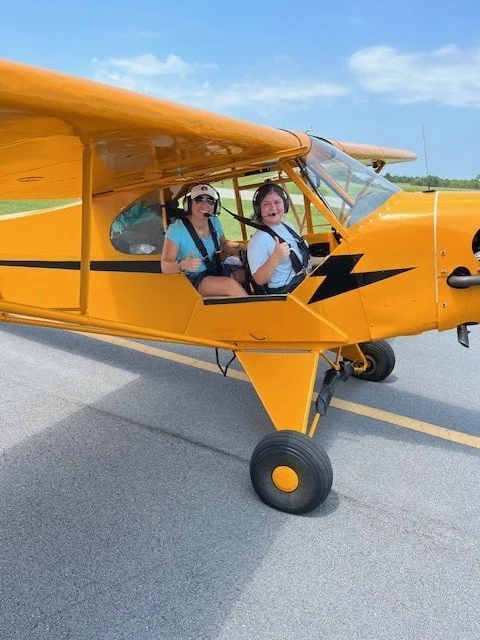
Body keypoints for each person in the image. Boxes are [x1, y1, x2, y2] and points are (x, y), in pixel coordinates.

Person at [161, 184, 247, 297]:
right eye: (198, 200)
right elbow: (165, 266)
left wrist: (242, 248)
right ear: (189, 204)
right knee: (230, 286)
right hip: (192, 278)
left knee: (244, 274)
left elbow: (224, 244)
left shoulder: (214, 221)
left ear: (215, 206)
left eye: (209, 201)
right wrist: (182, 265)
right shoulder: (176, 229)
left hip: (214, 269)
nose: (204, 205)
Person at [247, 183, 310, 294]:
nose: (273, 208)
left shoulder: (287, 225)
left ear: (285, 204)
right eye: (266, 204)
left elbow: (300, 256)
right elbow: (259, 279)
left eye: (277, 202)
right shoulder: (258, 241)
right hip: (286, 292)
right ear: (258, 209)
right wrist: (275, 257)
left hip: (303, 281)